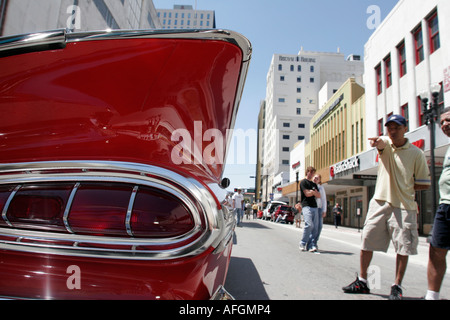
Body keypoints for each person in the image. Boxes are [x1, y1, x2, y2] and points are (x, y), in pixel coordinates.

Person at [342, 114, 431, 300]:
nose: (392, 130)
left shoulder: (417, 153)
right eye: (389, 126)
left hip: (404, 205)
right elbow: (380, 142)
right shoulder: (385, 146)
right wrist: (376, 141)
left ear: (405, 128)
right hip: (380, 202)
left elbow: (424, 183)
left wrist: (406, 187)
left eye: (397, 127)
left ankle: (397, 286)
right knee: (367, 239)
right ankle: (363, 281)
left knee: (402, 247)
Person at [425, 107, 450, 300]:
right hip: (445, 205)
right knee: (436, 251)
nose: (444, 125)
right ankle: (432, 296)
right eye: (441, 122)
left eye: (448, 120)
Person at [299, 166, 321, 252]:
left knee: (315, 227)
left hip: (314, 206)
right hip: (306, 205)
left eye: (313, 173)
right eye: (310, 172)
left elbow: (319, 195)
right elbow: (307, 194)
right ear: (307, 172)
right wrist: (313, 192)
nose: (311, 174)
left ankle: (311, 245)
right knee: (309, 224)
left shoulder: (314, 184)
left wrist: (313, 192)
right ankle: (303, 243)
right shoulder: (303, 182)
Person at [312, 174, 327, 252]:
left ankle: (315, 241)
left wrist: (324, 210)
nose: (315, 179)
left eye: (317, 178)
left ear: (319, 180)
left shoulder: (321, 188)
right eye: (315, 177)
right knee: (313, 226)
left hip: (319, 208)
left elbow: (324, 199)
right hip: (312, 208)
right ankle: (312, 243)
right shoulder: (309, 186)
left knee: (319, 226)